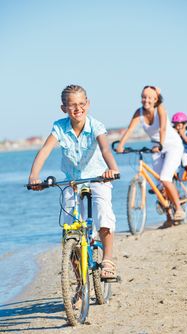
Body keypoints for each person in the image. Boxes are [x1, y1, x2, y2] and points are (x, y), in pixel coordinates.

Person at [28, 84, 120, 279]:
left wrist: (112, 169)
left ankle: (108, 261)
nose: (78, 108)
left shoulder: (96, 126)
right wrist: (34, 176)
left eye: (81, 104)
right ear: (64, 108)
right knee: (70, 231)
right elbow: (45, 151)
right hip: (72, 182)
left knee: (103, 215)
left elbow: (105, 149)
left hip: (98, 179)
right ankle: (79, 282)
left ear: (88, 104)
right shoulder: (59, 127)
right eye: (72, 105)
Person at [116, 85, 185, 228]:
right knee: (159, 185)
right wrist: (120, 145)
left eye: (149, 97)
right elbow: (129, 130)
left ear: (155, 99)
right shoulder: (139, 113)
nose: (145, 100)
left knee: (165, 178)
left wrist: (160, 143)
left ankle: (178, 209)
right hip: (156, 148)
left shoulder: (160, 109)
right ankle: (169, 218)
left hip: (172, 145)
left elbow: (163, 128)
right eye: (143, 97)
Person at [172, 112, 187, 179]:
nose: (177, 127)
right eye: (175, 125)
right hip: (176, 150)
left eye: (179, 125)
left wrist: (182, 134)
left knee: (184, 156)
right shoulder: (175, 133)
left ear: (184, 124)